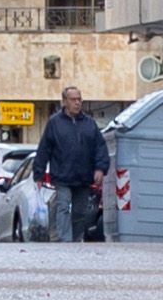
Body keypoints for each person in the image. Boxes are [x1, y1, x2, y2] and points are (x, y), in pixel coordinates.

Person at [35, 98, 108, 246]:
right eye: (73, 99)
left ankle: (76, 238)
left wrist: (100, 169)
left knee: (80, 211)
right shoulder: (54, 123)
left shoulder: (89, 124)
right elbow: (44, 149)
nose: (77, 102)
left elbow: (100, 147)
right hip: (62, 175)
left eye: (79, 99)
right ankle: (65, 240)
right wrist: (39, 173)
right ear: (65, 102)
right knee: (63, 206)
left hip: (84, 176)